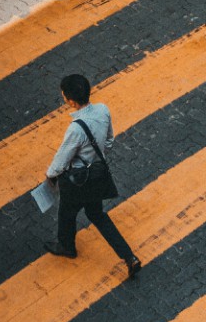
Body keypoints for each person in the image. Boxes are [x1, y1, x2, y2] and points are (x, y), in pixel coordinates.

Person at [44, 74, 141, 279]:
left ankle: (67, 247)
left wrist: (50, 175)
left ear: (71, 101)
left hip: (77, 181)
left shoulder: (75, 129)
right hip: (97, 175)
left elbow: (62, 159)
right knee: (97, 215)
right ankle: (129, 257)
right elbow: (109, 140)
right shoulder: (103, 110)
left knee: (66, 213)